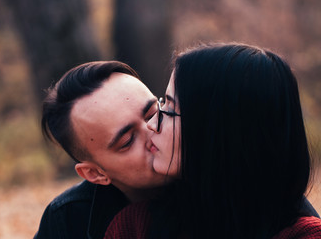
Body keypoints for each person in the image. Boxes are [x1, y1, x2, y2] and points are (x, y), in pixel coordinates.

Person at [104, 43, 321, 239]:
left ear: (218, 129)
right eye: (163, 103)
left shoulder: (304, 235)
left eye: (169, 109)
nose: (151, 124)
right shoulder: (135, 226)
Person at [34, 61, 167, 239]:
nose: (154, 131)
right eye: (128, 141)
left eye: (153, 113)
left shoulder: (213, 171)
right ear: (95, 173)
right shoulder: (68, 220)